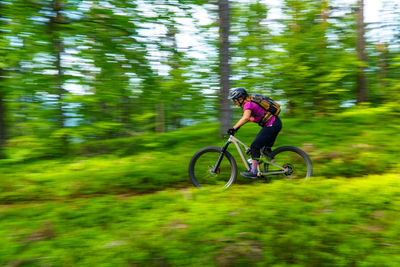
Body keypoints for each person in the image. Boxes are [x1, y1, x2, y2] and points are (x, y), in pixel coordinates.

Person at [227, 87, 282, 179]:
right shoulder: (250, 103)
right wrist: (237, 127)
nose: (234, 102)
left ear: (240, 99)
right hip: (274, 124)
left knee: (255, 146)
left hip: (271, 125)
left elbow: (245, 118)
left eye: (235, 100)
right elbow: (250, 118)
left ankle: (254, 172)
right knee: (265, 151)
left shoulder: (248, 104)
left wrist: (234, 128)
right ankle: (273, 171)